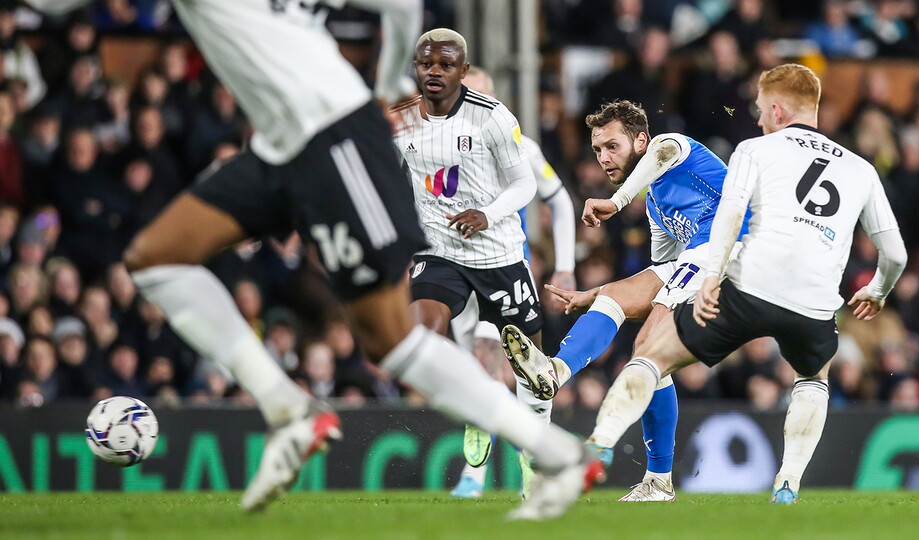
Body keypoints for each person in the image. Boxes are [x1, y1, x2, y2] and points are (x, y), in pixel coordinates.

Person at [27, 0, 599, 519]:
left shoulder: (495, 124)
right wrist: (389, 77)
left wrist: (382, 87)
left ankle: (557, 455)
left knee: (391, 343)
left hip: (335, 134)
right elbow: (398, 10)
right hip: (281, 144)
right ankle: (288, 410)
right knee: (154, 257)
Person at [585, 63, 907, 503]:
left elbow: (731, 217)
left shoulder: (755, 150)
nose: (757, 119)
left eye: (759, 109)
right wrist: (878, 290)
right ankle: (788, 483)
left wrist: (711, 277)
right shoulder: (862, 169)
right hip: (814, 302)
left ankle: (600, 443)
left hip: (751, 282)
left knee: (651, 353)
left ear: (777, 109)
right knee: (813, 378)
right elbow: (896, 255)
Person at [502, 99, 748, 502]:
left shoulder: (674, 148)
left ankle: (638, 468)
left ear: (640, 140)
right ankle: (556, 373)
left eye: (612, 146)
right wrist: (594, 295)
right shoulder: (655, 206)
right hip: (698, 263)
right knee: (624, 307)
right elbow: (654, 282)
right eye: (597, 150)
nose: (603, 158)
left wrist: (616, 203)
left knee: (647, 350)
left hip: (733, 250)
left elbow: (662, 154)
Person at [447, 66, 577, 499]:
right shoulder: (438, 144)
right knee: (478, 361)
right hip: (455, 265)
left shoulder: (522, 147)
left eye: (483, 96)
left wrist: (564, 265)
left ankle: (520, 470)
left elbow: (559, 200)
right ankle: (478, 471)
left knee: (521, 366)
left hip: (504, 267)